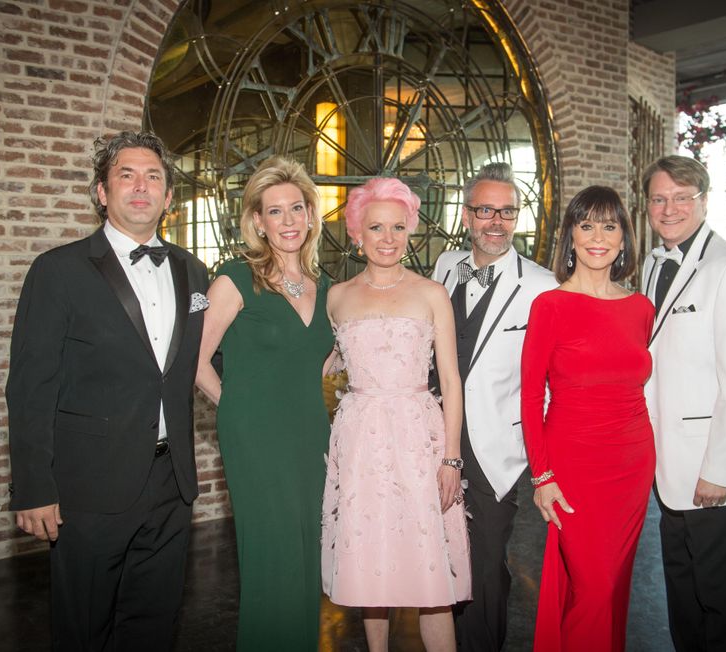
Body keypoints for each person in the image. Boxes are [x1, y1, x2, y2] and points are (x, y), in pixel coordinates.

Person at [6, 131, 210, 651]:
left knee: (154, 623)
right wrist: (33, 486)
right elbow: (30, 386)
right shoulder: (58, 270)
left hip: (171, 483)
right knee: (84, 628)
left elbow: (215, 362)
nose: (141, 186)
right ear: (102, 191)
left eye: (154, 177)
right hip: (89, 488)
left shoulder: (193, 271)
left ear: (169, 198)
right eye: (126, 174)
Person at [321, 177, 470, 652]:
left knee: (431, 578)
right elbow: (326, 366)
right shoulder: (337, 297)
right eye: (377, 227)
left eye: (398, 227)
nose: (388, 238)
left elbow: (450, 382)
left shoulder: (431, 294)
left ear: (411, 233)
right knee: (370, 564)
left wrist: (451, 458)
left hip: (417, 438)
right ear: (356, 233)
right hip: (362, 442)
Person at [195, 156, 332, 651]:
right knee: (271, 554)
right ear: (257, 221)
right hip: (254, 435)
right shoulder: (234, 278)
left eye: (297, 208)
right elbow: (195, 359)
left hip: (310, 434)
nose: (289, 221)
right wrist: (238, 407)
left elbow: (318, 364)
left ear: (312, 216)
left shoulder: (328, 289)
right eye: (275, 212)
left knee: (305, 552)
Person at [641, 155, 726, 652]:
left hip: (715, 471)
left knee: (722, 599)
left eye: (681, 197)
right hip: (670, 466)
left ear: (703, 201)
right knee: (683, 589)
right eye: (659, 198)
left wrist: (720, 469)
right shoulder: (655, 264)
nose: (669, 207)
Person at [521, 186, 655, 651]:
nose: (598, 236)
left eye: (609, 225)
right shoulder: (550, 305)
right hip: (573, 465)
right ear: (571, 237)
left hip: (633, 464)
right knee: (594, 588)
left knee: (611, 588)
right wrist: (542, 474)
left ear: (624, 238)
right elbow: (530, 395)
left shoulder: (641, 309)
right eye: (586, 225)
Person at [432, 162, 557, 651]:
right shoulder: (444, 265)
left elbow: (550, 378)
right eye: (485, 210)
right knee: (441, 556)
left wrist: (536, 448)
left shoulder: (542, 286)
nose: (496, 223)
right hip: (435, 434)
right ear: (467, 215)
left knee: (484, 563)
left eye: (507, 211)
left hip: (494, 446)